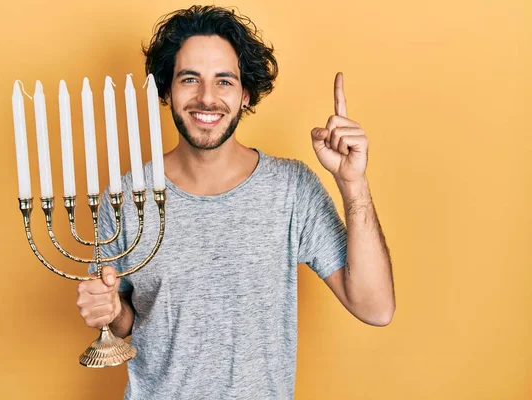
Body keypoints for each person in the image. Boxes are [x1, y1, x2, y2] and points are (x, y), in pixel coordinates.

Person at [76, 5, 395, 399]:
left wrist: (353, 184)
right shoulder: (125, 198)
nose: (206, 98)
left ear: (245, 93)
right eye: (189, 79)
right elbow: (127, 322)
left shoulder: (291, 189)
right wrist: (110, 312)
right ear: (167, 90)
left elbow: (376, 308)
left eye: (224, 81)